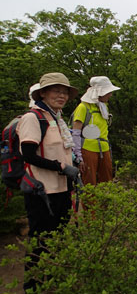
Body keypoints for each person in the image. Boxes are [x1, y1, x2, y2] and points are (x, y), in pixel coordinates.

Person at [17, 72, 80, 291]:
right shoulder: (33, 118)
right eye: (56, 91)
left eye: (64, 92)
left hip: (61, 189)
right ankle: (31, 285)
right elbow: (29, 155)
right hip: (41, 191)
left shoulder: (57, 119)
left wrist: (72, 164)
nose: (61, 96)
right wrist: (61, 167)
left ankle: (53, 279)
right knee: (40, 240)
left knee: (58, 237)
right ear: (43, 93)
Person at [71, 76, 120, 186]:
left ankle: (106, 203)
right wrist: (78, 155)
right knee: (89, 181)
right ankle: (89, 204)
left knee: (107, 181)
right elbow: (76, 132)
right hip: (87, 149)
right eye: (108, 92)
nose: (110, 95)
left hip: (104, 148)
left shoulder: (103, 107)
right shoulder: (83, 107)